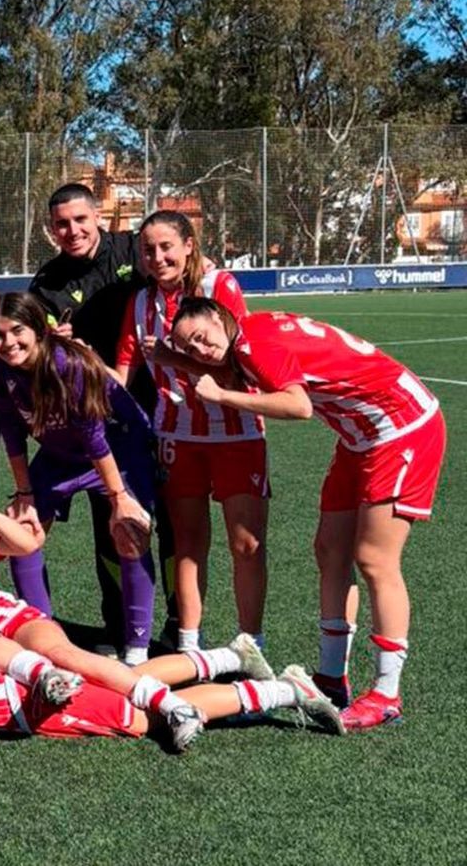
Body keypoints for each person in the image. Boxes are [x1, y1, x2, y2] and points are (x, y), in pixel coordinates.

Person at [168, 298, 447, 730]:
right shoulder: (248, 336)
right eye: (190, 348)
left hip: (400, 426)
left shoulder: (253, 345)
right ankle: (332, 678)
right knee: (329, 549)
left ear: (222, 320)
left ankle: (387, 693)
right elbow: (254, 370)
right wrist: (170, 356)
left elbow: (299, 406)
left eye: (202, 338)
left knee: (375, 559)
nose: (200, 351)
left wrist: (222, 395)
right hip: (359, 436)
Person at [0, 456, 212, 751]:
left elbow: (26, 544)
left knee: (68, 657)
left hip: (8, 621)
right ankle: (229, 671)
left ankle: (174, 706)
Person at [0, 596, 342, 749]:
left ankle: (282, 688)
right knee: (129, 675)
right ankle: (232, 657)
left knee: (147, 720)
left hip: (24, 703)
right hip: (18, 683)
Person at [29, 183, 179, 640]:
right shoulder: (47, 283)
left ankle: (179, 625)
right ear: (51, 229)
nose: (72, 230)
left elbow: (180, 269)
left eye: (80, 220)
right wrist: (57, 345)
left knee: (169, 520)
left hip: (158, 407)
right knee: (112, 524)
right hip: (98, 418)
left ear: (99, 216)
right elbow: (32, 351)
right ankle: (121, 629)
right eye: (61, 224)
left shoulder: (136, 249)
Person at [113, 211, 266, 651]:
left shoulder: (221, 288)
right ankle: (189, 645)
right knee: (187, 543)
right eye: (148, 250)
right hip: (177, 437)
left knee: (247, 545)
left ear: (188, 246)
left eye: (166, 247)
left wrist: (174, 358)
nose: (157, 257)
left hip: (237, 432)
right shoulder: (141, 303)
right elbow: (121, 376)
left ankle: (251, 646)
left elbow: (239, 365)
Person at [0, 292, 161, 662]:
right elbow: (11, 430)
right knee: (22, 531)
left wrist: (119, 499)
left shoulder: (68, 365)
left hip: (118, 447)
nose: (7, 343)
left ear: (38, 329)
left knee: (130, 535)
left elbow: (95, 438)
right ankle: (43, 640)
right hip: (60, 452)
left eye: (17, 331)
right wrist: (24, 493)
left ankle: (137, 649)